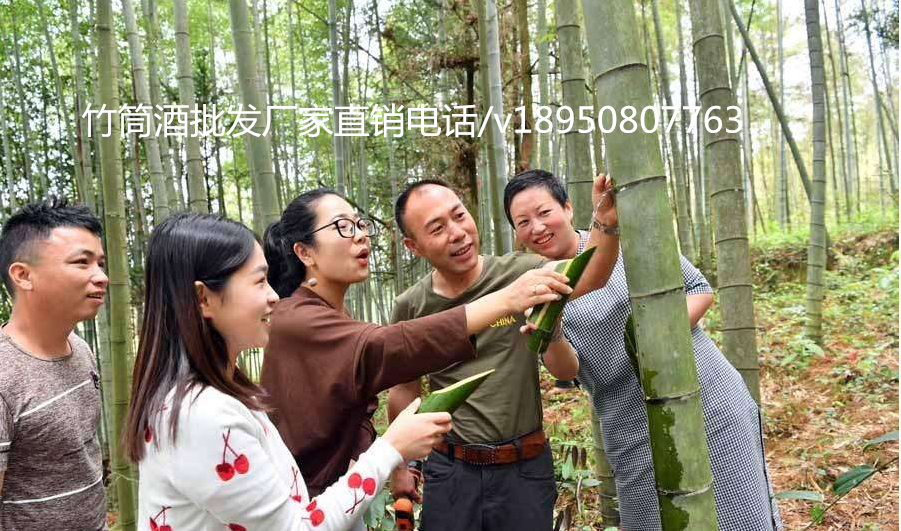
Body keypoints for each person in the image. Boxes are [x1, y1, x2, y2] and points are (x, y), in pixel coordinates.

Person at [123, 212, 454, 531]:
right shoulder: (204, 415)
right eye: (259, 282)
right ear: (203, 298)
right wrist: (391, 448)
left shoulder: (215, 393)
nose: (272, 296)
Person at [504, 169, 783, 531]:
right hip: (629, 422)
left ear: (568, 207)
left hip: (705, 397)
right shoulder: (534, 287)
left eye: (544, 213)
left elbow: (699, 288)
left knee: (740, 511)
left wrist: (653, 341)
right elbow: (566, 371)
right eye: (523, 222)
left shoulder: (624, 242)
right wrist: (551, 333)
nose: (537, 228)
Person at [260, 188, 573, 499]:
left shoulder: (332, 313)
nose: (359, 236)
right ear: (305, 252)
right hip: (303, 502)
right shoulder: (295, 318)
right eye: (342, 226)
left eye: (359, 224)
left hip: (332, 496)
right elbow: (386, 346)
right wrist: (507, 299)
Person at [387, 176, 619, 531]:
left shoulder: (522, 272)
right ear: (413, 246)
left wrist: (605, 220)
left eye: (459, 216)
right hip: (451, 470)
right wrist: (400, 465)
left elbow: (594, 276)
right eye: (437, 228)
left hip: (523, 469)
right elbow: (404, 391)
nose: (458, 233)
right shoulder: (412, 306)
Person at [0, 198, 108, 531]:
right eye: (82, 262)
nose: (101, 277)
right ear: (23, 275)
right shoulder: (4, 378)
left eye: (101, 263)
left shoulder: (80, 347)